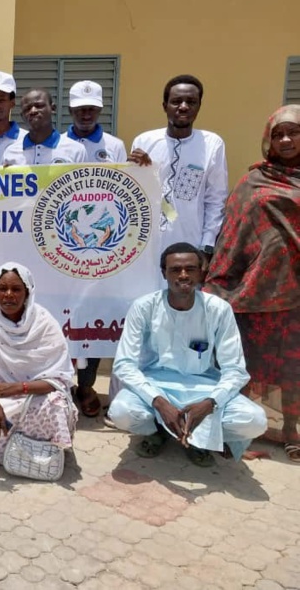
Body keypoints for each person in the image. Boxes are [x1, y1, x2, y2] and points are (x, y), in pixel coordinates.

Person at [108, 243, 267, 466]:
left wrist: (210, 403)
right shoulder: (144, 307)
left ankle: (197, 438)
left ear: (201, 272)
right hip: (155, 385)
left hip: (204, 388)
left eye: (190, 269)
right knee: (121, 412)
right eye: (175, 270)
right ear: (164, 273)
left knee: (255, 421)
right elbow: (124, 364)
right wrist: (159, 403)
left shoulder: (218, 309)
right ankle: (158, 432)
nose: (183, 275)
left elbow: (235, 370)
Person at [205, 105, 300, 462]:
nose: (286, 140)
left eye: (294, 132)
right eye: (278, 134)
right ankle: (238, 432)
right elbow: (232, 233)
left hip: (296, 294)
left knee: (293, 366)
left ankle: (291, 429)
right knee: (245, 363)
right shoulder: (254, 181)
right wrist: (220, 280)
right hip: (254, 291)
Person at [0, 263, 77, 466]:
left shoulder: (44, 324)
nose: (9, 295)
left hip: (31, 394)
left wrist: (15, 388)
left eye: (16, 289)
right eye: (2, 288)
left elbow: (59, 380)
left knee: (56, 405)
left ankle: (39, 451)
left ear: (27, 292)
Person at [65, 80, 128, 416]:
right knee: (62, 313)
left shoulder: (115, 146)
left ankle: (86, 384)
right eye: (80, 109)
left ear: (100, 110)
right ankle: (62, 382)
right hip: (62, 244)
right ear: (70, 110)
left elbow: (127, 190)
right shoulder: (57, 144)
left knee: (94, 315)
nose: (85, 114)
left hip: (100, 247)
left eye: (91, 109)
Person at [129, 75, 228, 260]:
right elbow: (134, 193)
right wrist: (145, 171)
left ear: (199, 106)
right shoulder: (144, 142)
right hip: (146, 245)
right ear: (165, 106)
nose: (183, 107)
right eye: (176, 101)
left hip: (190, 244)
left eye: (191, 102)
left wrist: (207, 246)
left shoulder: (212, 144)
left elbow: (216, 200)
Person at [1, 89, 86, 165]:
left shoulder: (76, 150)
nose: (33, 111)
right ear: (22, 116)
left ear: (53, 108)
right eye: (27, 108)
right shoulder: (10, 153)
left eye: (39, 106)